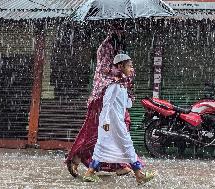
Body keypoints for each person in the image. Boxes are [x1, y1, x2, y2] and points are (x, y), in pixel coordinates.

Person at [65, 29, 134, 177]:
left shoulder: (119, 46)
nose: (123, 30)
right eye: (120, 27)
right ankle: (77, 157)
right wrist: (119, 73)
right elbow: (104, 70)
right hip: (103, 96)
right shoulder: (106, 47)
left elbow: (125, 73)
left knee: (120, 127)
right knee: (96, 132)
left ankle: (118, 164)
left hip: (117, 97)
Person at [82, 54, 155, 184]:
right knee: (127, 146)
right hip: (112, 122)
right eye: (130, 66)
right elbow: (107, 103)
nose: (132, 69)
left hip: (114, 122)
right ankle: (139, 175)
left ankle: (90, 172)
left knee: (102, 146)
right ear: (121, 66)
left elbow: (126, 105)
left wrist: (130, 97)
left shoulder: (122, 84)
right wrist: (106, 123)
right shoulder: (114, 84)